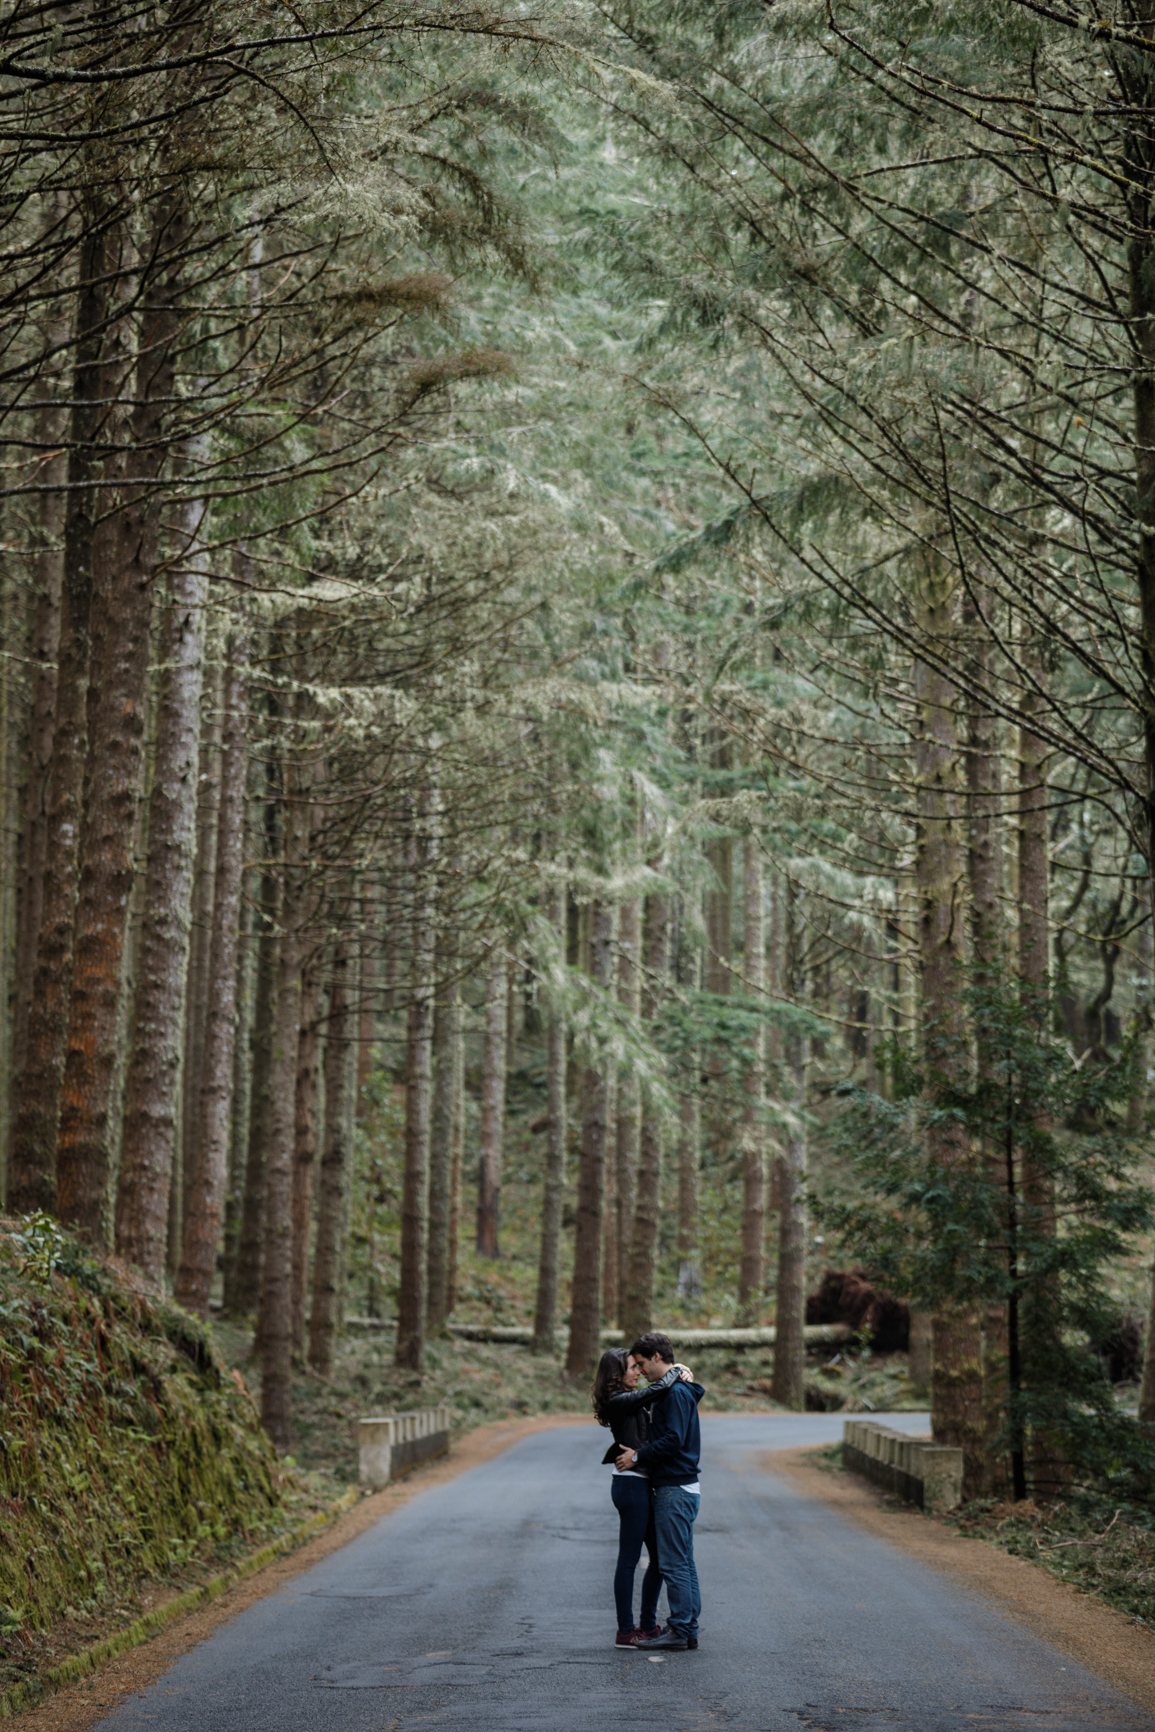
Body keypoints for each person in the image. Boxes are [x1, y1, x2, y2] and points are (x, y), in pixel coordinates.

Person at [591, 1348, 702, 1648]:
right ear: (616, 1374)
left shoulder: (632, 1397)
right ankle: (626, 1631)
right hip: (630, 1485)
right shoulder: (617, 1400)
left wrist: (678, 1370)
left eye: (639, 1366)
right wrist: (677, 1369)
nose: (637, 1372)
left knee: (660, 1559)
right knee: (629, 1559)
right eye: (632, 1367)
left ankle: (648, 1625)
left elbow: (670, 1405)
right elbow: (658, 1390)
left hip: (642, 1484)